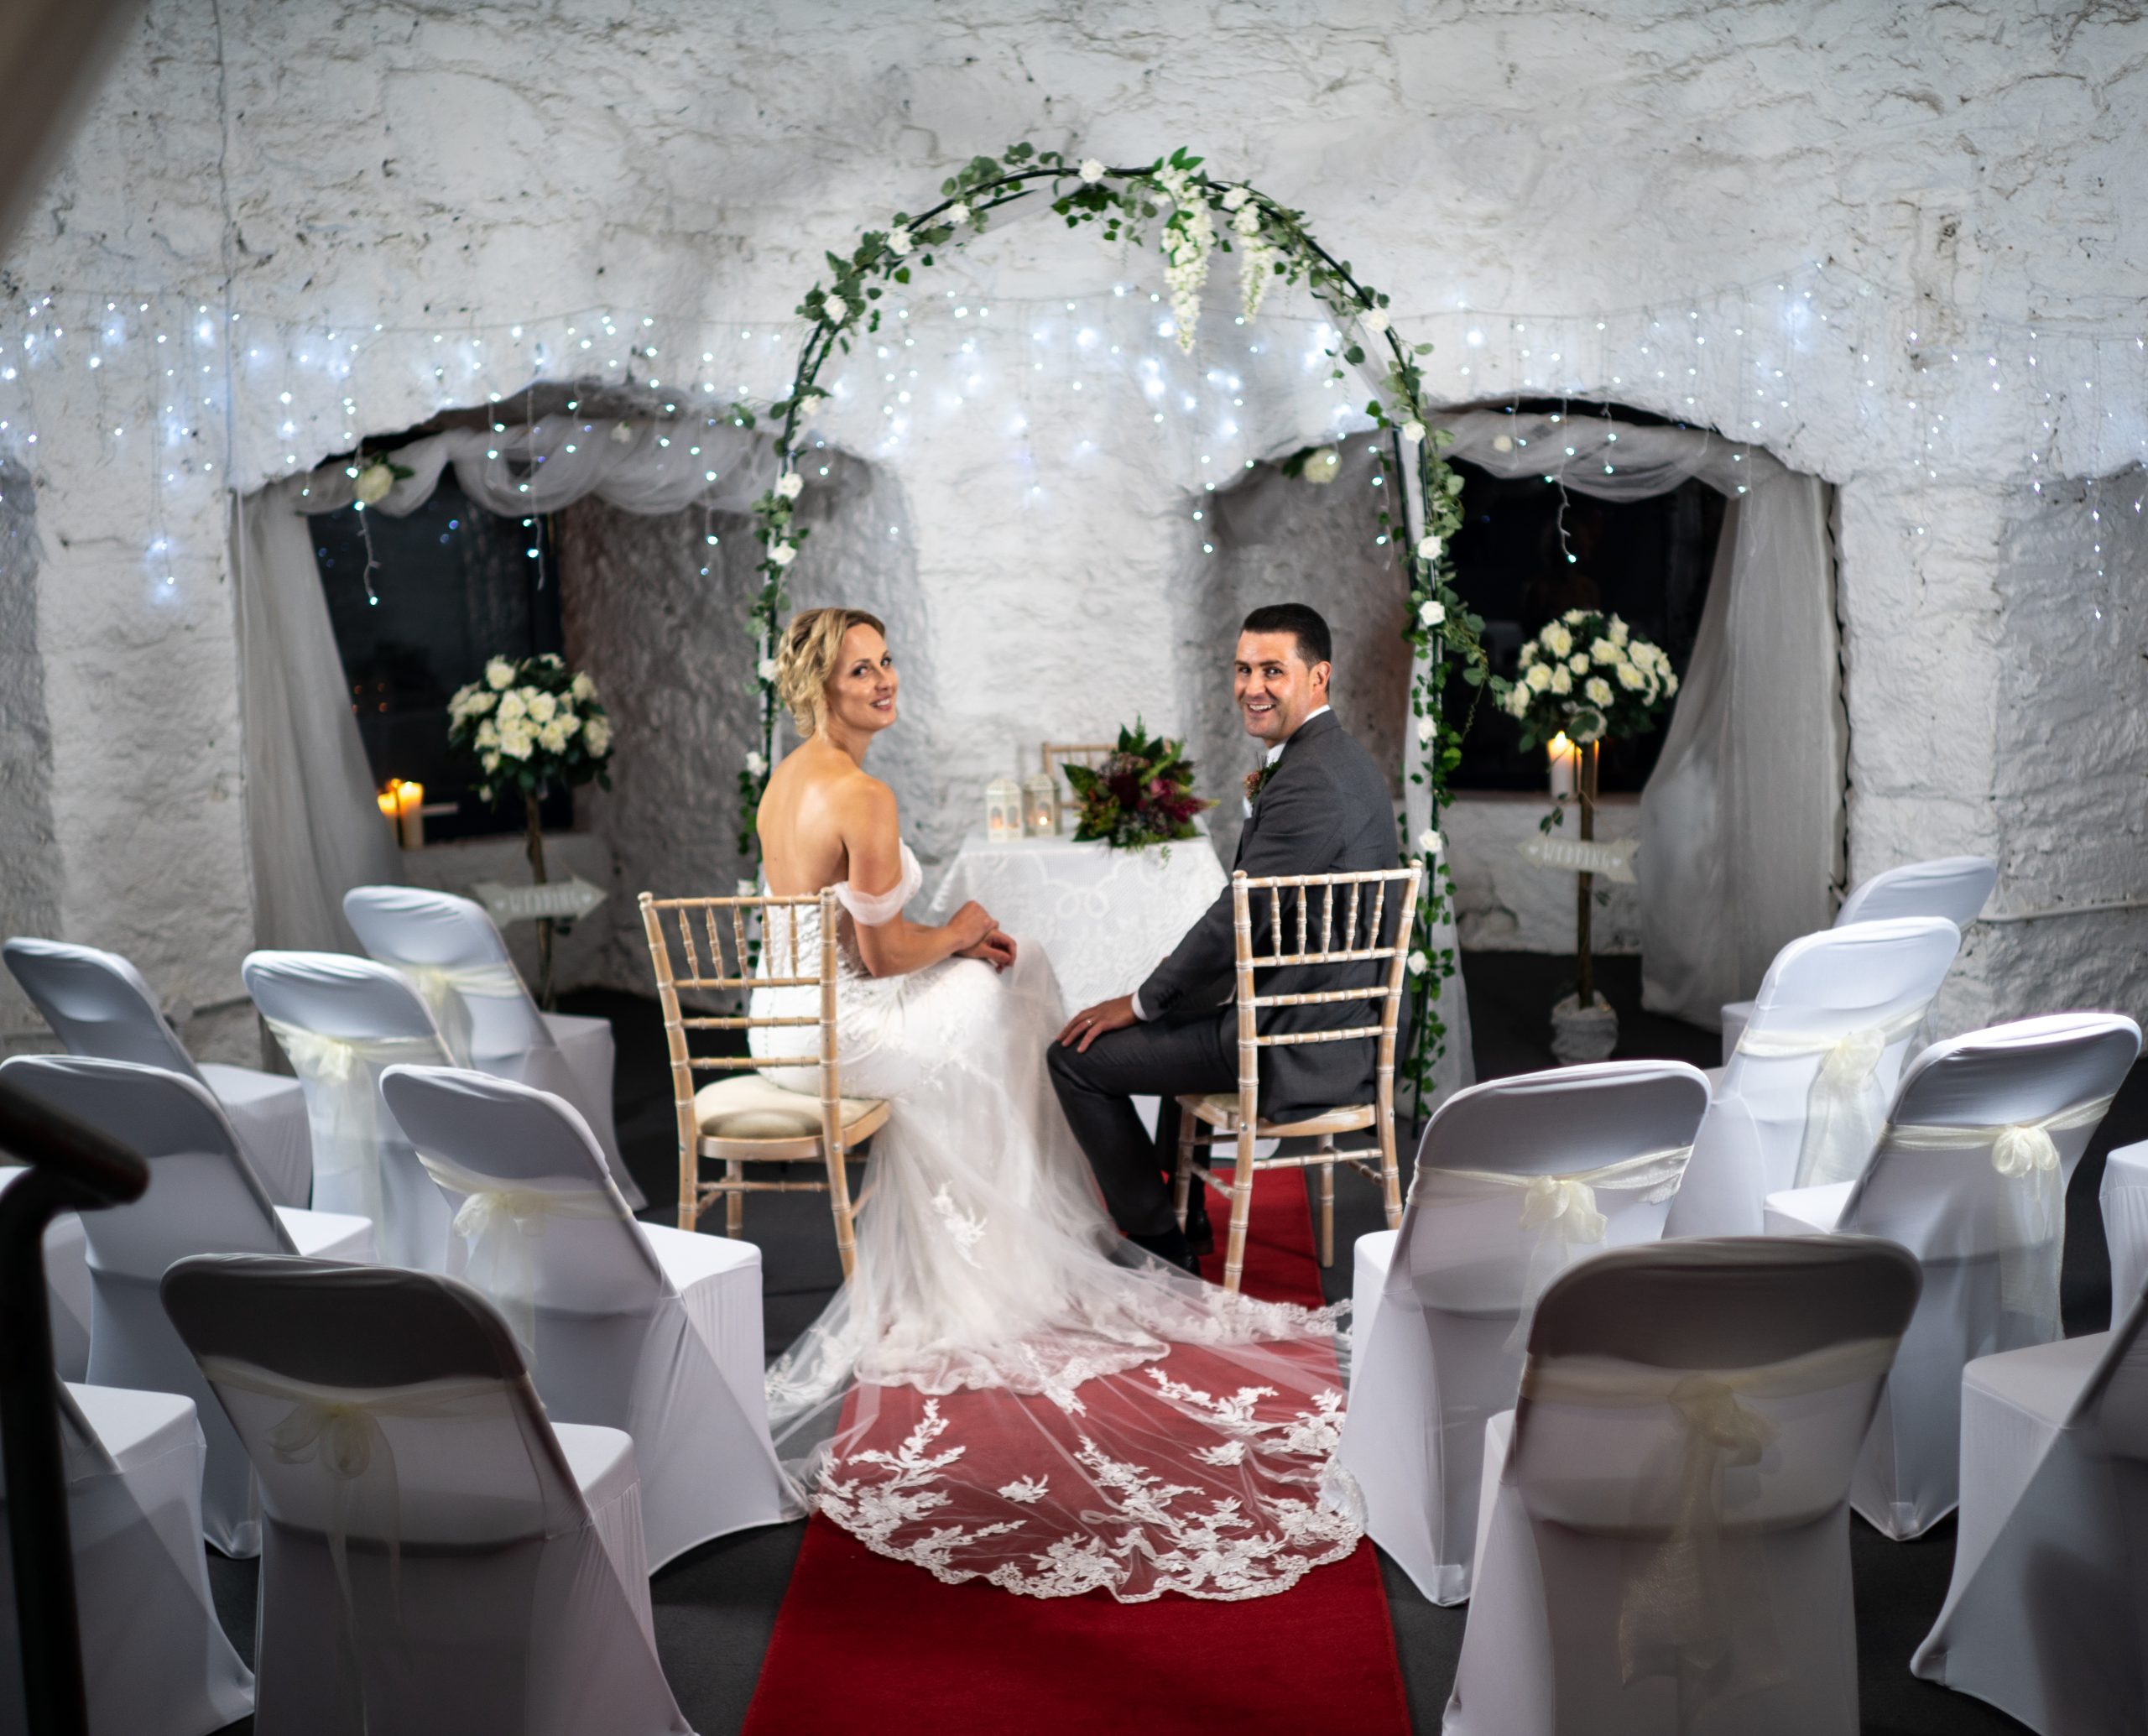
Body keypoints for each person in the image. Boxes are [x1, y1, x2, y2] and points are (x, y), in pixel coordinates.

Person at [746, 607, 1358, 1603]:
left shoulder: (790, 775)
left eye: (888, 660)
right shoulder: (860, 791)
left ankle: (1028, 1206)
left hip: (779, 1010)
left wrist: (957, 942)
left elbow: (845, 945)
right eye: (862, 670)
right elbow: (876, 954)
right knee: (1003, 998)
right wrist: (964, 929)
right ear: (822, 685)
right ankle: (1022, 1237)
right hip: (837, 1020)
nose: (885, 680)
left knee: (999, 986)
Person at [1048, 603, 1400, 1269]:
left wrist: (1146, 1000)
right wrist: (1175, 990)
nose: (1252, 686)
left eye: (1273, 670)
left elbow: (1235, 916)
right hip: (1325, 1010)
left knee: (1074, 1059)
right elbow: (1262, 916)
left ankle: (1158, 1245)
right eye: (1243, 670)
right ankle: (1190, 1220)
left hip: (1291, 1039)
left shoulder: (1310, 782)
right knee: (1177, 999)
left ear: (1318, 676)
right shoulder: (1334, 758)